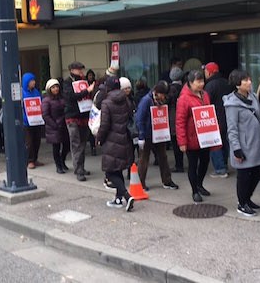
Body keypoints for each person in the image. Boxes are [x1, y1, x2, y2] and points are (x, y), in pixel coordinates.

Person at [224, 69, 260, 217]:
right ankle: (242, 203)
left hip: (256, 144)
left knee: (257, 173)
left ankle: (247, 199)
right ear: (237, 84)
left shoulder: (253, 97)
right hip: (244, 146)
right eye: (245, 80)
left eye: (249, 79)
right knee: (244, 176)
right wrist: (236, 148)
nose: (249, 82)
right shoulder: (231, 104)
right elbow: (232, 129)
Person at [98, 77, 135, 211]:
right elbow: (130, 115)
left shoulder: (106, 102)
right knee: (117, 169)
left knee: (110, 171)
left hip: (111, 140)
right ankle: (118, 199)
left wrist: (99, 138)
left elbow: (104, 125)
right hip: (124, 138)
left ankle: (126, 195)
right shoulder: (125, 99)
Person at [176, 69, 213, 203]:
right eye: (198, 82)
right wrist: (182, 142)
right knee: (193, 165)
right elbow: (180, 121)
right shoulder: (184, 99)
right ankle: (194, 191)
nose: (201, 84)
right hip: (191, 138)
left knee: (205, 162)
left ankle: (200, 184)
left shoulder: (205, 94)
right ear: (190, 83)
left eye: (202, 81)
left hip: (205, 137)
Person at [135, 82, 179, 191]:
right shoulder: (146, 101)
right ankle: (140, 183)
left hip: (159, 133)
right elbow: (140, 118)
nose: (165, 97)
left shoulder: (160, 101)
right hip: (148, 133)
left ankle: (167, 180)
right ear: (158, 93)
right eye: (163, 94)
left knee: (163, 157)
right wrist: (141, 135)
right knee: (144, 159)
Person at [62, 61, 95, 181]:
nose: (81, 71)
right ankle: (78, 169)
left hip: (84, 116)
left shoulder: (84, 81)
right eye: (78, 69)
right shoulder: (67, 82)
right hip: (72, 116)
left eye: (81, 69)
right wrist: (87, 91)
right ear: (72, 70)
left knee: (82, 143)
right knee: (75, 143)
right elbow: (70, 97)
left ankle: (81, 166)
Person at [203, 62, 232, 178]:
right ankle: (224, 165)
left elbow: (205, 102)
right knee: (224, 143)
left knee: (215, 144)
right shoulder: (226, 83)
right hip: (227, 117)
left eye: (205, 72)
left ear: (209, 72)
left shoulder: (210, 86)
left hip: (214, 119)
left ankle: (220, 168)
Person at [42, 78, 70, 174]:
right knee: (56, 147)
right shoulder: (46, 100)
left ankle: (62, 161)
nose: (55, 89)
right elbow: (45, 115)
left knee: (67, 146)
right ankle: (58, 165)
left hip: (64, 125)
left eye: (57, 86)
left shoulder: (62, 98)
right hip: (54, 126)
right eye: (53, 87)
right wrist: (54, 124)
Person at [22, 72, 43, 168]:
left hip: (37, 120)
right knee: (29, 142)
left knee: (37, 141)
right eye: (31, 81)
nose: (33, 82)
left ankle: (35, 158)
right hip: (27, 122)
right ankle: (29, 160)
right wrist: (25, 118)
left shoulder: (36, 92)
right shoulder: (23, 93)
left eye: (34, 80)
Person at [168, 66, 185, 173]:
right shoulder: (185, 87)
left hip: (174, 117)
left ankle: (179, 164)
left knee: (175, 142)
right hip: (184, 115)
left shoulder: (170, 89)